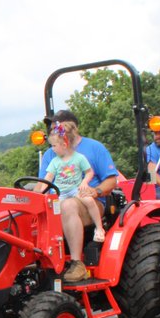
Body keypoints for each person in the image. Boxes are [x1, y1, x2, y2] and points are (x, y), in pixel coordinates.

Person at [37, 110, 119, 283]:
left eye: (58, 128)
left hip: (90, 202)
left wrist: (95, 191)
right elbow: (43, 183)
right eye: (53, 129)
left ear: (72, 128)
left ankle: (77, 263)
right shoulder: (51, 153)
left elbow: (111, 181)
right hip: (56, 201)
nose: (54, 132)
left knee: (68, 205)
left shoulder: (94, 148)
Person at [38, 124, 106, 242]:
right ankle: (54, 239)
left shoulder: (79, 158)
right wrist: (42, 192)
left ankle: (99, 228)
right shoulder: (55, 162)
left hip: (75, 189)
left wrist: (84, 182)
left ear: (64, 145)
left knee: (89, 200)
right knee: (52, 210)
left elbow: (89, 172)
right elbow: (48, 178)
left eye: (54, 146)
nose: (52, 149)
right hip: (60, 193)